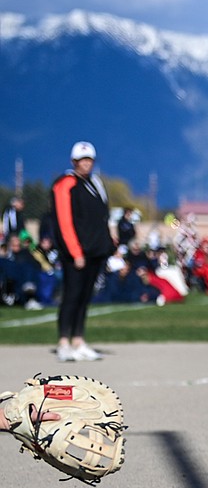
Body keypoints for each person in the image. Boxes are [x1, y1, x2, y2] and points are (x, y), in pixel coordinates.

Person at [47, 141, 115, 362]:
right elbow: (64, 221)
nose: (86, 164)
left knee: (85, 297)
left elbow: (104, 214)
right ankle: (64, 342)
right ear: (74, 162)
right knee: (72, 296)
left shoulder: (95, 182)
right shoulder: (66, 183)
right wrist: (76, 252)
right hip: (76, 254)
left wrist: (109, 239)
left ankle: (78, 340)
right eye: (82, 160)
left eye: (89, 160)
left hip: (96, 251)